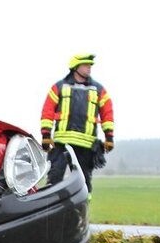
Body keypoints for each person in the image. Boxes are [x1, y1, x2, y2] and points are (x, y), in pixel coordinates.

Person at [39, 53, 114, 192]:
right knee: (54, 179)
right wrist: (45, 136)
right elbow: (47, 112)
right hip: (61, 143)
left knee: (85, 183)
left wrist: (109, 137)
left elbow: (107, 113)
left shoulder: (99, 89)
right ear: (75, 67)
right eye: (86, 65)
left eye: (90, 65)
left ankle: (82, 212)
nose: (89, 68)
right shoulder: (59, 87)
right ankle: (51, 211)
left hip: (86, 145)